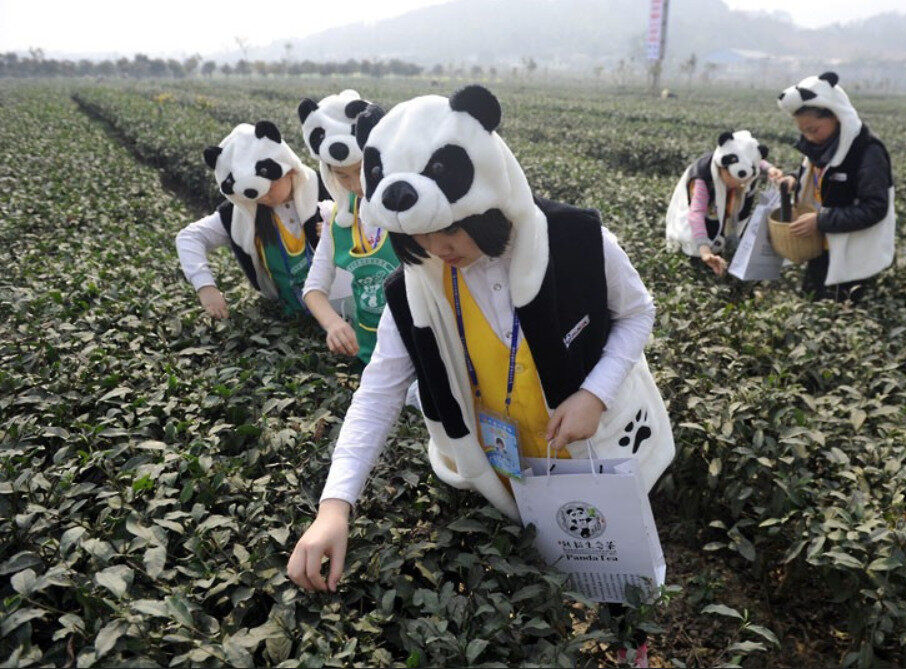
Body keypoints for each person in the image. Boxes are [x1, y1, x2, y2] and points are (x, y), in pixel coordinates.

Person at [287, 88, 675, 661]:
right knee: (533, 579)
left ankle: (629, 646)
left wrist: (595, 391)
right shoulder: (416, 285)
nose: (436, 249)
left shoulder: (576, 239)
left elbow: (638, 312)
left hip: (592, 451)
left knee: (615, 570)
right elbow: (378, 392)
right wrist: (334, 506)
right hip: (504, 466)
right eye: (416, 239)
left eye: (449, 231)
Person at [176, 121, 334, 318]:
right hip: (291, 318)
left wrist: (342, 232)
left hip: (343, 311)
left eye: (270, 188)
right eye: (254, 194)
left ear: (290, 169)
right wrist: (205, 286)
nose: (263, 198)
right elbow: (189, 237)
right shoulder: (239, 215)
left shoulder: (327, 189)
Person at [297, 91, 400, 366]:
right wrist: (332, 323)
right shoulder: (337, 220)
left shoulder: (407, 213)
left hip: (418, 356)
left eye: (363, 171)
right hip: (369, 355)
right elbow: (314, 289)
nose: (356, 185)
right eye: (342, 176)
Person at [774, 71, 896, 302]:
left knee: (841, 311)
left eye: (813, 129)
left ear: (837, 116)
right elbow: (819, 174)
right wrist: (794, 179)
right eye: (803, 131)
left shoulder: (867, 151)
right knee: (810, 308)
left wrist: (821, 221)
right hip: (821, 247)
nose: (809, 138)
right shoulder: (822, 145)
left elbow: (875, 208)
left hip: (852, 256)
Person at [664, 130, 778, 275]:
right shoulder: (702, 178)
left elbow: (753, 158)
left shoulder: (746, 169)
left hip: (719, 210)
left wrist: (770, 169)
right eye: (731, 176)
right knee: (693, 237)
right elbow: (696, 214)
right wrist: (704, 251)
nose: (736, 183)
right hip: (699, 213)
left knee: (722, 224)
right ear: (721, 166)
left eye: (742, 180)